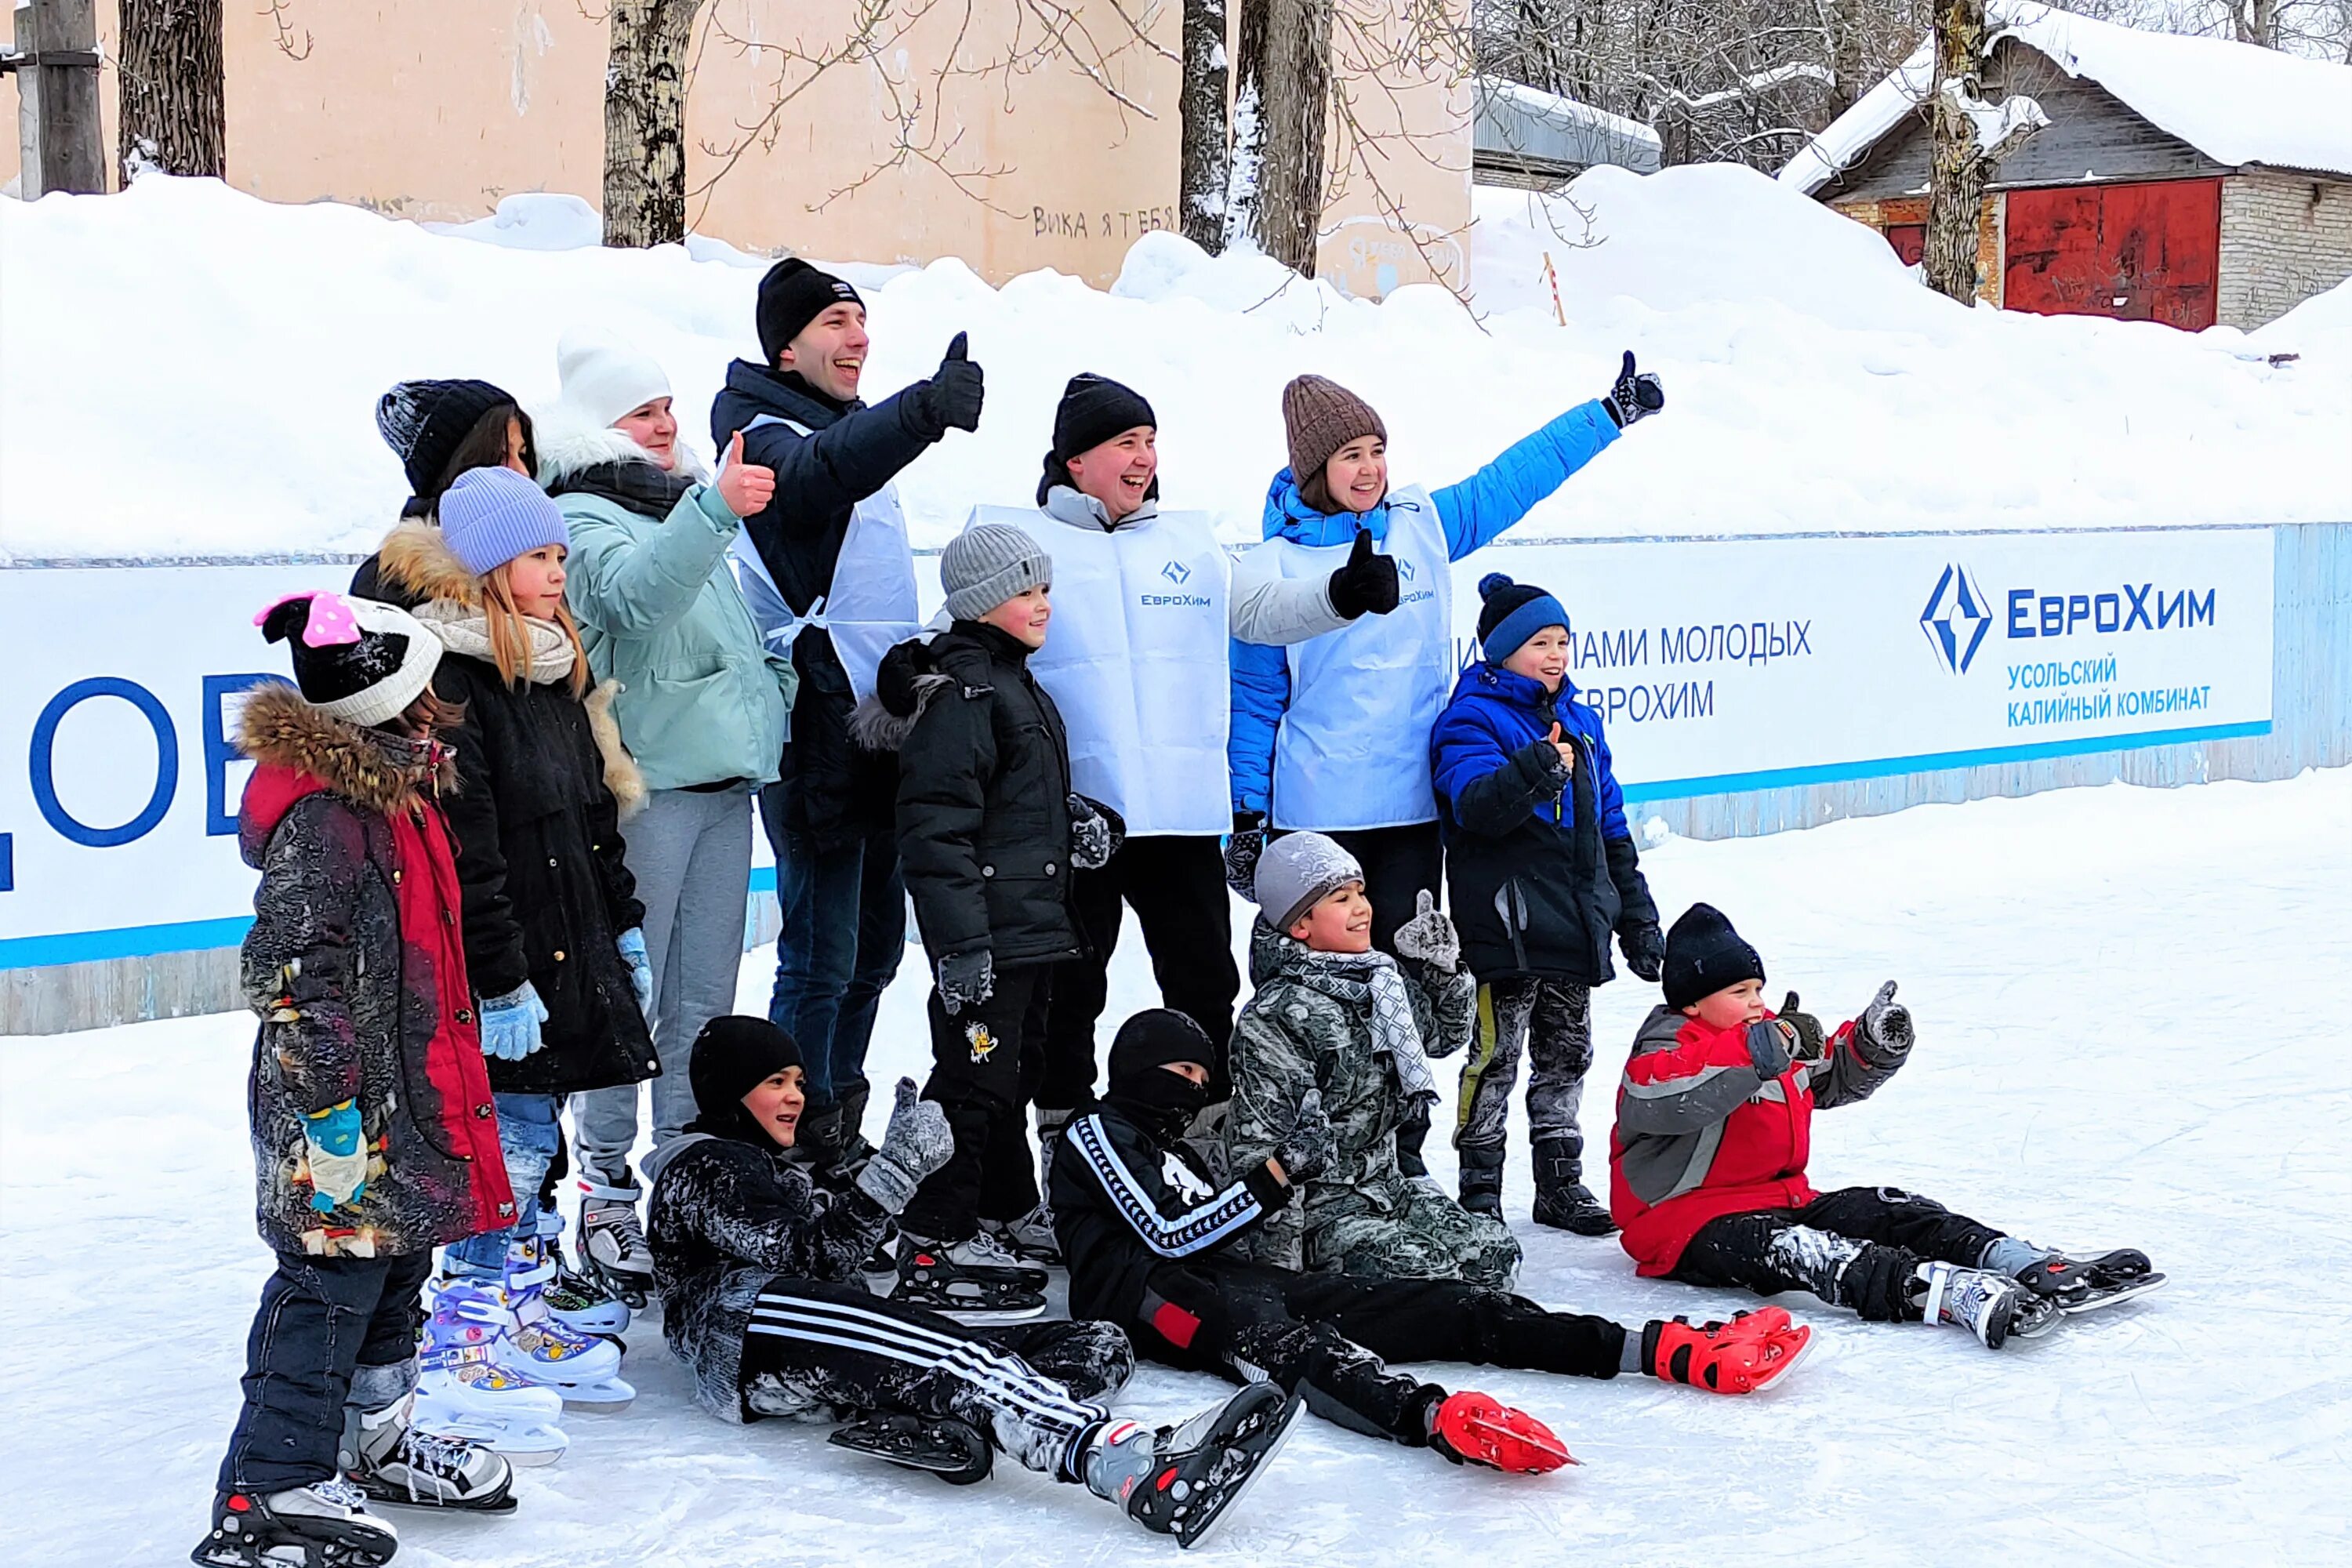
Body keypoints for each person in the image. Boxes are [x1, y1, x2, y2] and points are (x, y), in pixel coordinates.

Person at [961, 373, 1398, 1250]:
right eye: (1125, 442)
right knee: (1068, 993)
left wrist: (1338, 599)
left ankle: (1207, 1141)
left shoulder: (1190, 541)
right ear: (1075, 457)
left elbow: (1263, 611)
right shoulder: (1017, 535)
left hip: (1182, 816)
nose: (1144, 458)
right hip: (1072, 821)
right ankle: (1067, 1149)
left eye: (1151, 440)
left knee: (1204, 981)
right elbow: (963, 624)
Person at [1051, 1011, 1810, 1477]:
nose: (1194, 1085)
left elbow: (1209, 1225)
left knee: (1437, 1303)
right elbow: (1164, 1231)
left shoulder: (1172, 1144)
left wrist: (1273, 1183)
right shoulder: (1096, 1131)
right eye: (1183, 1069)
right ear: (1139, 1068)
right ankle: (1432, 1416)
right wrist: (1274, 1176)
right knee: (1288, 1345)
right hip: (1148, 1298)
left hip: (1220, 1273)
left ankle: (1655, 1346)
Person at [644, 1014, 1301, 1548]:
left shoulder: (771, 1169)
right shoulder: (706, 1165)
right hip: (746, 1325)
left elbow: (831, 1260)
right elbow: (805, 1260)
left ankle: (946, 1423)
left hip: (800, 1324)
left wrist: (870, 1189)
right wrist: (893, 1175)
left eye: (797, 1080)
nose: (795, 1096)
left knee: (1097, 1342)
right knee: (958, 1357)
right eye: (774, 1082)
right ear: (730, 1092)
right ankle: (1127, 1467)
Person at [197, 593, 516, 1568]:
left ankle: (368, 1438)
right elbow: (290, 969)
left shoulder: (398, 793)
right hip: (339, 1105)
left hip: (406, 1091)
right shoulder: (329, 818)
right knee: (330, 1283)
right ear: (398, 700)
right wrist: (332, 1112)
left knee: (395, 1267)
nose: (443, 694)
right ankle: (271, 1479)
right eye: (428, 679)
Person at [376, 466, 658, 1411]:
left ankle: (519, 1300)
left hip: (571, 947)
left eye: (561, 556)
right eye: (539, 555)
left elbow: (592, 819)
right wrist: (498, 981)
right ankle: (461, 1336)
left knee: (543, 1141)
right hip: (510, 963)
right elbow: (470, 852)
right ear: (491, 565)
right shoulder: (454, 684)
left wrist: (624, 925)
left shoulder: (546, 668)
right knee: (513, 1146)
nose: (557, 572)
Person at [1225, 354, 1666, 954]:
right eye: (1350, 456)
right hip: (1317, 810)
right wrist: (1248, 816)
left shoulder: (1421, 525)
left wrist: (1608, 415)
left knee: (1409, 979)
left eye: (1377, 450)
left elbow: (1511, 480)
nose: (1369, 470)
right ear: (1313, 471)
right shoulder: (1272, 564)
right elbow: (1254, 702)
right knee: (1327, 985)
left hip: (1412, 809)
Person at [712, 261, 982, 1182]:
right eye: (836, 320)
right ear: (786, 345)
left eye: (863, 319)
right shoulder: (758, 430)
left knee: (872, 950)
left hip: (879, 724)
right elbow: (820, 479)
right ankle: (795, 1130)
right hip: (812, 729)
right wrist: (921, 412)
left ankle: (837, 1113)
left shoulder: (833, 423)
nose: (858, 336)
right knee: (820, 954)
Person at [1611, 904, 2165, 1349]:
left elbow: (1827, 1075)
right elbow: (1668, 1096)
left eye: (1759, 990)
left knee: (1888, 1207)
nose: (1758, 1003)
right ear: (1690, 1006)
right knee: (1805, 1250)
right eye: (1740, 994)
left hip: (1782, 1196)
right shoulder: (1665, 1054)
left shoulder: (1769, 1045)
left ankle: (2023, 1263)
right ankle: (1944, 1293)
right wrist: (1764, 1048)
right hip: (1684, 1225)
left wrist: (1871, 1045)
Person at [543, 331, 794, 1308]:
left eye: (666, 408)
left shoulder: (679, 507)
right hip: (646, 790)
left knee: (704, 998)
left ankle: (687, 1175)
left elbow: (722, 639)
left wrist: (773, 684)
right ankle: (604, 1190)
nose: (665, 424)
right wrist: (713, 511)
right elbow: (636, 603)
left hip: (722, 784)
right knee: (629, 999)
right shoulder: (587, 512)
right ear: (596, 427)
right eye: (641, 411)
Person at [874, 524, 1121, 1320]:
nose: (1043, 603)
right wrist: (961, 944)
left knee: (1014, 1073)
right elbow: (935, 828)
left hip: (1033, 927)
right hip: (990, 936)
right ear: (984, 602)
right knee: (973, 1084)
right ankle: (935, 1230)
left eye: (1045, 587)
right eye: (1026, 590)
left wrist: (1075, 819)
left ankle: (1006, 1204)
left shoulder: (1016, 682)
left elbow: (1011, 803)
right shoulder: (967, 694)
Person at [1430, 572, 1664, 1234]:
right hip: (1505, 926)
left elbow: (1610, 828)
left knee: (1567, 1056)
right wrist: (1539, 766)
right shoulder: (1471, 717)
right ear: (1500, 652)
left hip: (1573, 925)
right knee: (1494, 1059)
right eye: (1539, 643)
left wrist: (1637, 919)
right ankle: (1479, 1188)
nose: (1556, 655)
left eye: (1563, 641)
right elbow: (1474, 807)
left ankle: (1559, 1182)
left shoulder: (1582, 722)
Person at [1227, 833, 1520, 1288]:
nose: (1362, 908)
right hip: (1321, 1212)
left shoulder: (1380, 976)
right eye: (1341, 899)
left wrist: (1443, 970)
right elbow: (1261, 1153)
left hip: (1387, 1185)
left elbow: (1442, 1037)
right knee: (1433, 1280)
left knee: (1494, 1258)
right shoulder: (1277, 1015)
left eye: (1361, 892)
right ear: (1299, 924)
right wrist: (1278, 1283)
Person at [353, 379, 539, 604]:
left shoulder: (538, 553)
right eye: (500, 456)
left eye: (522, 455)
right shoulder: (390, 583)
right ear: (459, 464)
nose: (523, 472)